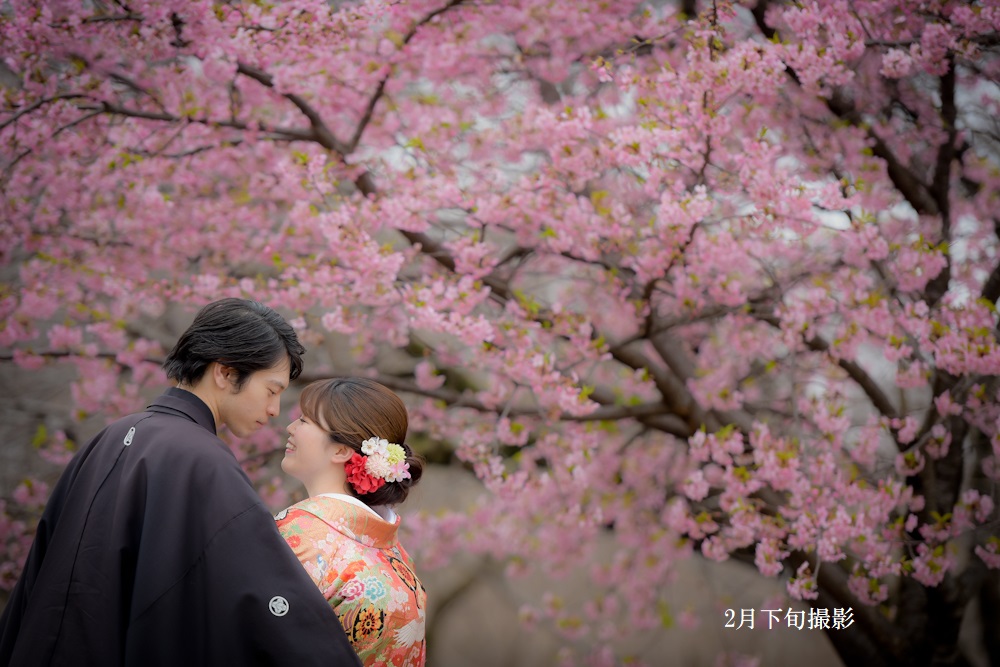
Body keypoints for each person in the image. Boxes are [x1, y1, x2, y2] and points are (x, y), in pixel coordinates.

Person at [0, 298, 361, 667]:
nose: (273, 409)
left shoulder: (111, 435)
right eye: (271, 390)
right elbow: (255, 592)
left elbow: (41, 568)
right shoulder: (203, 460)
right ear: (225, 373)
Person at [276, 377, 426, 667]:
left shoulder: (300, 533)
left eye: (304, 421)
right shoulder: (399, 559)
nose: (290, 427)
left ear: (341, 450)